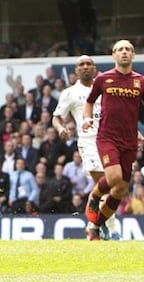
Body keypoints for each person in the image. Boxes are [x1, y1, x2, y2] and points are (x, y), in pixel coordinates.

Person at [82, 40, 144, 240]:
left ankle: (95, 227)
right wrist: (87, 119)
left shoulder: (142, 81)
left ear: (133, 55)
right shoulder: (103, 79)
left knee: (121, 189)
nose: (124, 52)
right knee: (113, 178)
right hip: (107, 137)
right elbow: (89, 102)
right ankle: (95, 196)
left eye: (128, 49)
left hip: (129, 140)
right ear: (114, 55)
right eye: (120, 49)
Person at [52, 55, 119, 240]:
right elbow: (56, 117)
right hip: (88, 142)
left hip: (110, 140)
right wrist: (60, 129)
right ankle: (113, 230)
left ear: (95, 68)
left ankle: (95, 224)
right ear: (76, 70)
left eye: (89, 64)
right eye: (81, 64)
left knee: (114, 185)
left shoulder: (106, 88)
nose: (86, 67)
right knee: (104, 182)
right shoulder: (70, 93)